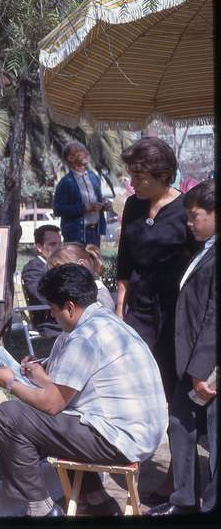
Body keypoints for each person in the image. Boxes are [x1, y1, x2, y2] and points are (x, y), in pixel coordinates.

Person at [0, 264, 167, 517]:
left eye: (53, 309)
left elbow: (52, 405)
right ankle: (98, 500)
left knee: (10, 415)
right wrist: (40, 380)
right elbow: (69, 392)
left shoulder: (84, 336)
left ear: (70, 307)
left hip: (121, 440)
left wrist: (10, 382)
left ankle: (40, 510)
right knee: (58, 418)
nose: (52, 317)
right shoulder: (110, 322)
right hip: (143, 434)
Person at [114, 137, 198, 504]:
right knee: (139, 393)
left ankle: (178, 478)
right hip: (140, 314)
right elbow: (124, 263)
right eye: (131, 175)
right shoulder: (133, 205)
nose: (133, 183)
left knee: (176, 400)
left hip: (177, 314)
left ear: (163, 174)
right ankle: (131, 457)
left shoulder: (188, 209)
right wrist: (120, 310)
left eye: (140, 175)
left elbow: (200, 266)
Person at [148, 180, 216, 516]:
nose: (188, 223)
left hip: (208, 366)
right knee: (180, 425)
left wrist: (202, 371)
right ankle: (184, 499)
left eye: (195, 216)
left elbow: (216, 318)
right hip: (190, 361)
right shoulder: (205, 248)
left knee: (215, 439)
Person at [52, 142, 111, 247]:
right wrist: (86, 207)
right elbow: (58, 209)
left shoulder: (93, 177)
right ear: (71, 158)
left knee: (94, 263)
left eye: (86, 150)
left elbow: (97, 199)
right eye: (81, 151)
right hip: (76, 235)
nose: (87, 153)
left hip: (95, 233)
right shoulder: (65, 182)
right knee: (78, 263)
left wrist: (104, 205)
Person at [20, 224, 62, 337]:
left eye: (60, 243)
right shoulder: (33, 268)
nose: (58, 248)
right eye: (52, 244)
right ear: (39, 247)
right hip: (51, 322)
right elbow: (41, 295)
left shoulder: (61, 264)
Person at [46, 242, 115, 311]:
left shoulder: (99, 293)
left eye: (63, 274)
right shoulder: (78, 294)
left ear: (81, 266)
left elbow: (107, 318)